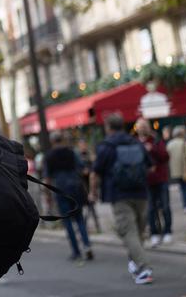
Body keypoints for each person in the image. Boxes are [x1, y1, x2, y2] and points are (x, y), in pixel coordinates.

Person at [91, 113, 153, 285]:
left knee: (128, 232)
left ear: (108, 127)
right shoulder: (136, 143)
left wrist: (93, 192)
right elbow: (150, 166)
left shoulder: (106, 146)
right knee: (138, 232)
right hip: (141, 192)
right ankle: (135, 262)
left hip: (119, 195)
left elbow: (95, 173)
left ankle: (143, 268)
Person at [44, 132, 92, 262]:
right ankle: (87, 246)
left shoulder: (49, 156)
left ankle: (76, 251)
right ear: (62, 140)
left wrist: (48, 196)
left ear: (52, 141)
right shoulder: (72, 152)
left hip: (60, 189)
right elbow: (82, 168)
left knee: (67, 221)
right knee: (79, 218)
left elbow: (47, 178)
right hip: (75, 187)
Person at [135, 118, 172, 247]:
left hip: (161, 178)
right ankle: (154, 233)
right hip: (146, 181)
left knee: (165, 206)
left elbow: (166, 156)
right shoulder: (135, 143)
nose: (143, 129)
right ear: (137, 129)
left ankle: (168, 231)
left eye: (145, 126)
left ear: (149, 127)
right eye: (141, 127)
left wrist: (152, 149)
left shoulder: (156, 140)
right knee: (150, 209)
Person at [166, 126, 186, 213]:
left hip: (176, 171)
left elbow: (166, 157)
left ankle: (185, 206)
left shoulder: (169, 144)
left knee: (182, 189)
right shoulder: (184, 143)